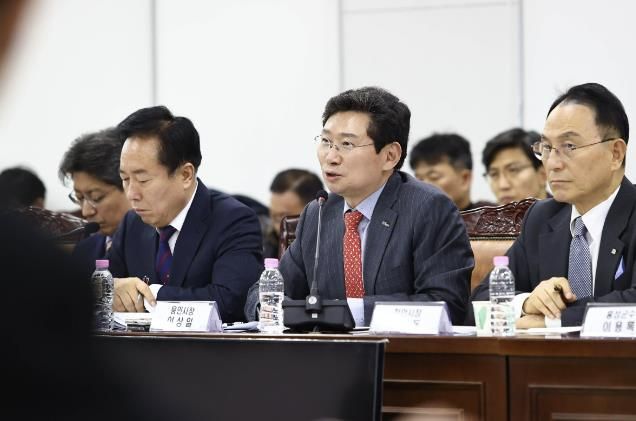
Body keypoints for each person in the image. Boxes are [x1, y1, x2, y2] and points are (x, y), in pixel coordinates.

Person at [245, 86, 473, 325]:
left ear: (390, 156)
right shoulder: (318, 212)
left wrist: (347, 313)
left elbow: (445, 304)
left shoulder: (428, 208)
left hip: (400, 347)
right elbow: (264, 290)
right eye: (326, 141)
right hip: (328, 347)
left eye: (347, 144)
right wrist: (269, 309)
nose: (331, 157)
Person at [471, 82, 636, 327]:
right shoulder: (542, 217)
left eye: (569, 146)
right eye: (547, 148)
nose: (553, 164)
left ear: (616, 154)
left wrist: (552, 321)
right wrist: (528, 303)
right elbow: (480, 300)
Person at [108, 105, 263, 322]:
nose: (132, 194)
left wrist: (150, 294)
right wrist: (110, 288)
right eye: (125, 179)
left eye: (143, 180)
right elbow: (105, 283)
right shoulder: (132, 223)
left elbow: (230, 301)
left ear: (186, 175)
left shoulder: (234, 220)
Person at [58, 127, 131, 280]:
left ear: (129, 185)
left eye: (96, 197)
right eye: (79, 197)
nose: (86, 212)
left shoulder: (159, 245)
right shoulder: (84, 250)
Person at [409, 133, 493, 211]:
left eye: (434, 177)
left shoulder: (491, 217)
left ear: (465, 179)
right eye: (419, 179)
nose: (423, 186)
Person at [263, 168, 324, 258]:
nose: (277, 227)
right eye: (274, 217)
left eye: (283, 218)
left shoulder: (335, 248)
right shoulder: (267, 244)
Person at [482, 128, 549, 205]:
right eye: (494, 174)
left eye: (513, 170)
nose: (503, 185)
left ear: (543, 174)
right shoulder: (484, 212)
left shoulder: (561, 211)